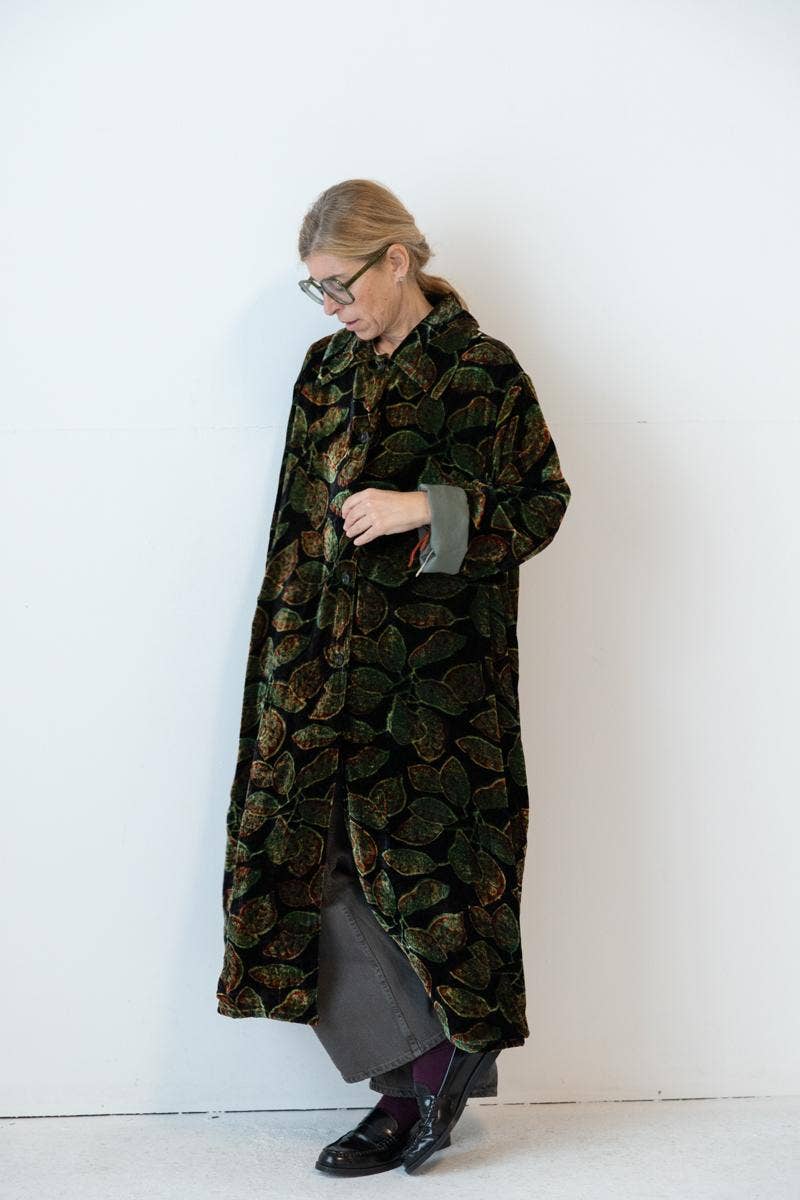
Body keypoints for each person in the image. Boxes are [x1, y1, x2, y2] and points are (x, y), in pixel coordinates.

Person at [216, 178, 572, 1176]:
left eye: (340, 284)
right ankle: (419, 1071)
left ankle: (413, 1089)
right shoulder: (323, 372)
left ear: (397, 260)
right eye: (318, 289)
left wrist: (426, 507)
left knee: (427, 881)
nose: (332, 306)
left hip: (434, 686)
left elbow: (541, 503)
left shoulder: (481, 371)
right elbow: (295, 525)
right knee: (299, 866)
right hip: (314, 663)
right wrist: (279, 656)